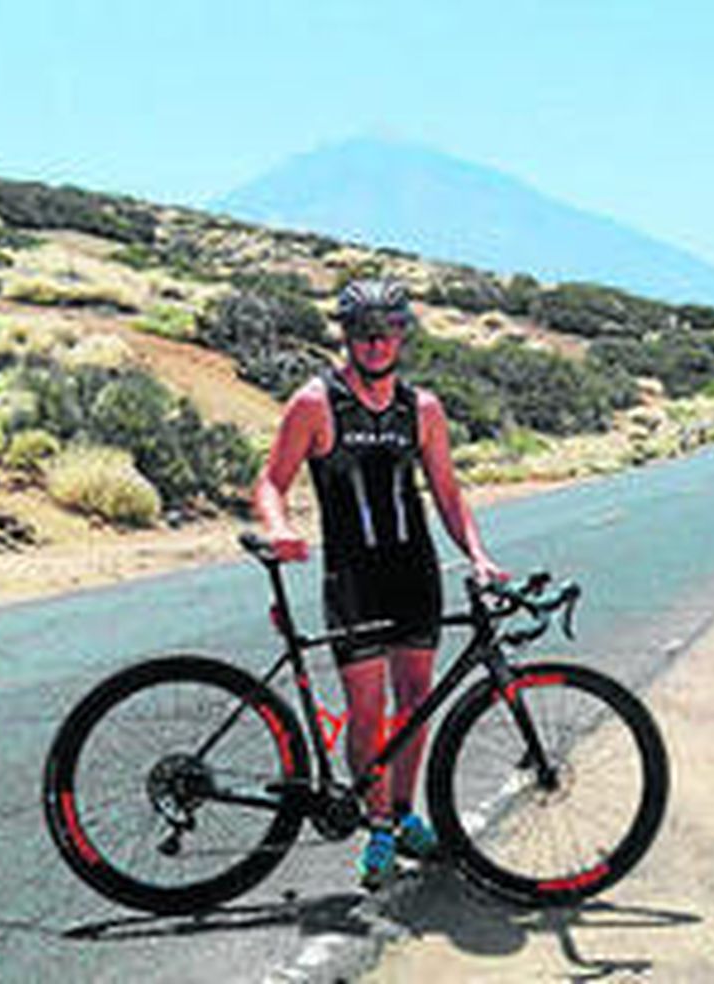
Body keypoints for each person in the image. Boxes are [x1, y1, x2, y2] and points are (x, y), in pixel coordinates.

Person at [253, 278, 506, 889]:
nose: (375, 342)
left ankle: (403, 813)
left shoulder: (423, 410)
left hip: (413, 571)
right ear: (346, 336)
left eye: (387, 330)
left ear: (401, 336)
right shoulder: (315, 403)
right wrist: (279, 528)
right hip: (353, 579)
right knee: (367, 713)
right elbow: (271, 482)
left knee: (415, 702)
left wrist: (477, 555)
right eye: (363, 332)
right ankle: (378, 828)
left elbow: (448, 494)